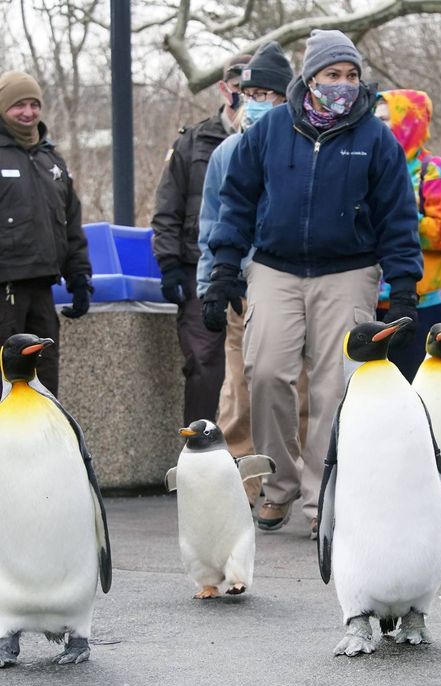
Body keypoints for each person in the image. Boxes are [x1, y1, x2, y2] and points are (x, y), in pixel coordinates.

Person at [204, 30, 422, 537]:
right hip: (275, 266)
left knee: (334, 385)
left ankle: (323, 494)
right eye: (332, 74)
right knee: (265, 371)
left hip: (348, 270)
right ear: (310, 77)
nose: (343, 84)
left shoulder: (375, 139)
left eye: (351, 75)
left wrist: (404, 288)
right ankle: (277, 485)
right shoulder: (270, 130)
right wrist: (223, 269)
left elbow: (398, 217)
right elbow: (236, 202)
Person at [0, 71, 92, 473]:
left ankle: (43, 461)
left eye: (34, 104)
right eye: (19, 105)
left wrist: (80, 276)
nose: (27, 112)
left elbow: (71, 224)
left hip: (42, 288)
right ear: (2, 108)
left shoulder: (51, 160)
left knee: (45, 376)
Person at [196, 42, 299, 506]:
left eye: (266, 94)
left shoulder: (301, 149)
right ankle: (240, 488)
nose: (255, 102)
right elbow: (211, 223)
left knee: (296, 395)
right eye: (249, 93)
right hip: (240, 290)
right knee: (238, 394)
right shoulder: (227, 152)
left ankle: (296, 486)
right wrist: (211, 285)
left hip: (289, 286)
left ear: (286, 96)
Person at [152, 53, 252, 426]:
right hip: (200, 266)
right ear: (225, 89)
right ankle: (199, 445)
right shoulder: (192, 141)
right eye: (240, 88)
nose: (247, 97)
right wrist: (169, 265)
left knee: (254, 363)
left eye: (256, 90)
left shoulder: (271, 138)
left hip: (250, 267)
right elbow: (167, 207)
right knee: (203, 360)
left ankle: (247, 448)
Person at [375, 89, 441, 380]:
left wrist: (400, 219)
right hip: (376, 298)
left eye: (386, 119)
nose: (378, 126)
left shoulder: (435, 171)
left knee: (422, 380)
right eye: (375, 119)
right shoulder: (372, 166)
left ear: (410, 121)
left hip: (429, 299)